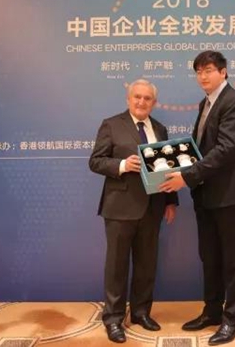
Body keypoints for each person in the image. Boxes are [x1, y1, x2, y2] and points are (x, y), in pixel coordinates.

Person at [159, 51, 235, 345]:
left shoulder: (234, 102)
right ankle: (212, 312)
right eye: (198, 71)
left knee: (231, 258)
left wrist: (185, 176)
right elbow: (200, 148)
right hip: (206, 193)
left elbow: (225, 151)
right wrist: (174, 166)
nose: (203, 76)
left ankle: (233, 319)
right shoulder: (206, 102)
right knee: (209, 256)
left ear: (223, 72)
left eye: (209, 70)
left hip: (229, 195)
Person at [89, 79, 178, 344]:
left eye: (147, 98)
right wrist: (122, 165)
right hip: (119, 207)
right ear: (128, 99)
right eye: (137, 97)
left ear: (154, 102)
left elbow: (167, 167)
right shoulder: (111, 124)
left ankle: (141, 313)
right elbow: (95, 161)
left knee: (146, 265)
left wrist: (171, 201)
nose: (141, 102)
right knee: (117, 266)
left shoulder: (160, 129)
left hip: (153, 207)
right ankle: (113, 319)